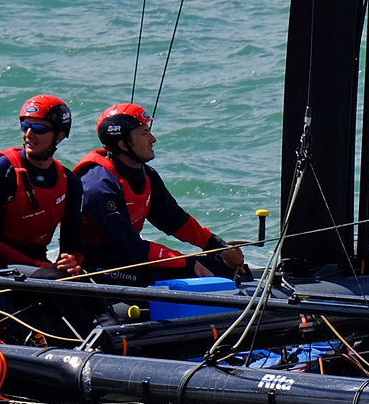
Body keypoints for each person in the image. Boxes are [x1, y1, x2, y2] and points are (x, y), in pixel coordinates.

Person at [73, 103, 244, 283]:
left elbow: (176, 221)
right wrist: (187, 262)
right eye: (144, 133)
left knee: (216, 266)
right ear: (123, 144)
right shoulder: (99, 185)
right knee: (189, 271)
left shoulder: (147, 175)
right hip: (96, 267)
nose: (153, 139)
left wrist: (219, 247)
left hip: (130, 258)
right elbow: (129, 245)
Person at [0, 95, 84, 274]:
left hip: (39, 265)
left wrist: (71, 260)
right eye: (25, 127)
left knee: (85, 298)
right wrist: (40, 266)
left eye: (38, 128)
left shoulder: (70, 182)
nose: (28, 134)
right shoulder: (0, 172)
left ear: (59, 136)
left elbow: (73, 244)